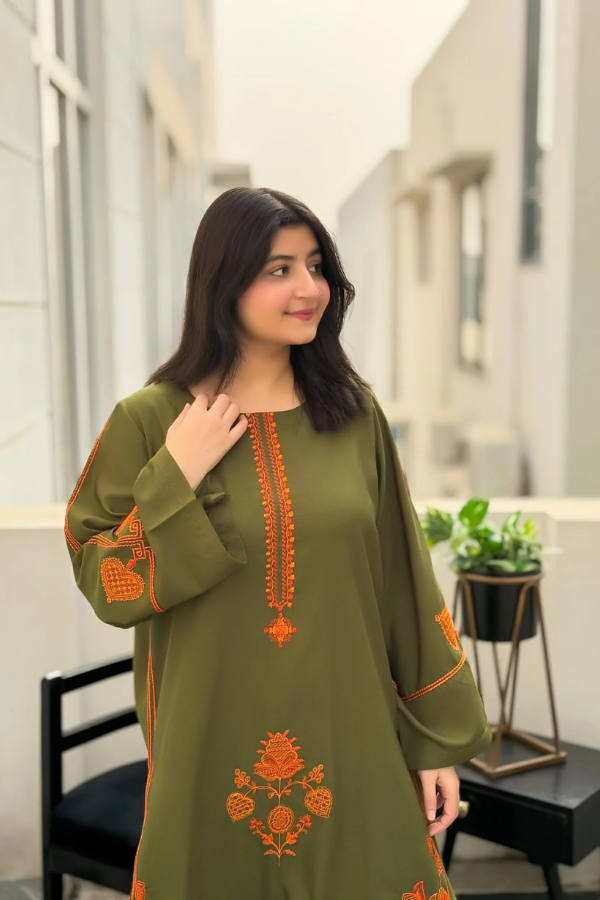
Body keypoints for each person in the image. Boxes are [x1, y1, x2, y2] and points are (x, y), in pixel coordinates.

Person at [64, 186, 491, 900]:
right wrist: (178, 471)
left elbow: (403, 588)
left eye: (316, 265)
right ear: (223, 283)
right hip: (208, 750)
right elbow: (106, 580)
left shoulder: (353, 416)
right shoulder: (150, 419)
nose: (309, 289)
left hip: (354, 734)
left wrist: (436, 744)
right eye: (279, 269)